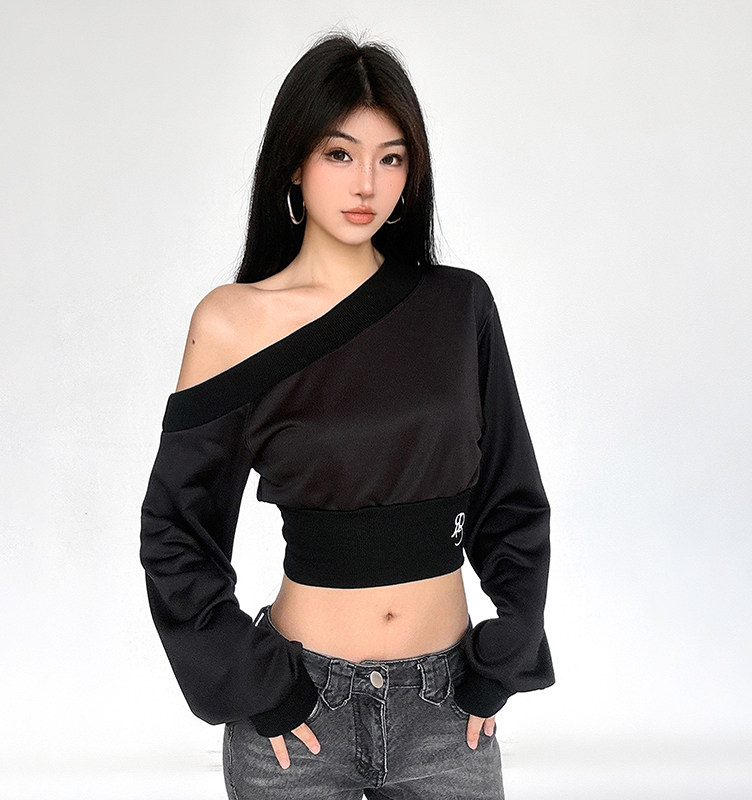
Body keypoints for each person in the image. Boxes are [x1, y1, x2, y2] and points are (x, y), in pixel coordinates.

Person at [139, 30, 555, 800]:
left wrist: (507, 653)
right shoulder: (232, 323)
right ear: (294, 163)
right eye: (340, 153)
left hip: (448, 713)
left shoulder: (457, 306)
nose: (367, 182)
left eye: (391, 158)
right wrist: (256, 684)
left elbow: (510, 499)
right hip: (300, 716)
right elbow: (175, 529)